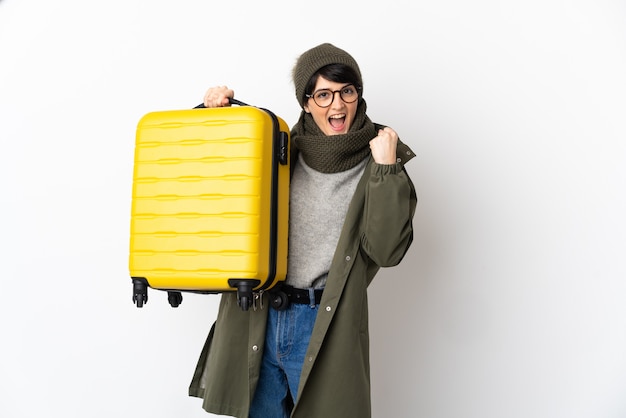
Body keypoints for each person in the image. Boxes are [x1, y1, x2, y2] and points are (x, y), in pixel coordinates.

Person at [189, 43, 417, 418]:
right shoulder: (276, 149)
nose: (338, 105)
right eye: (323, 94)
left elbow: (386, 251)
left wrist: (387, 170)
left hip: (325, 323)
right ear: (306, 102)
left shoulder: (381, 159)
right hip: (259, 314)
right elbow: (212, 184)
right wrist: (217, 116)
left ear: (359, 95)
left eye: (347, 91)